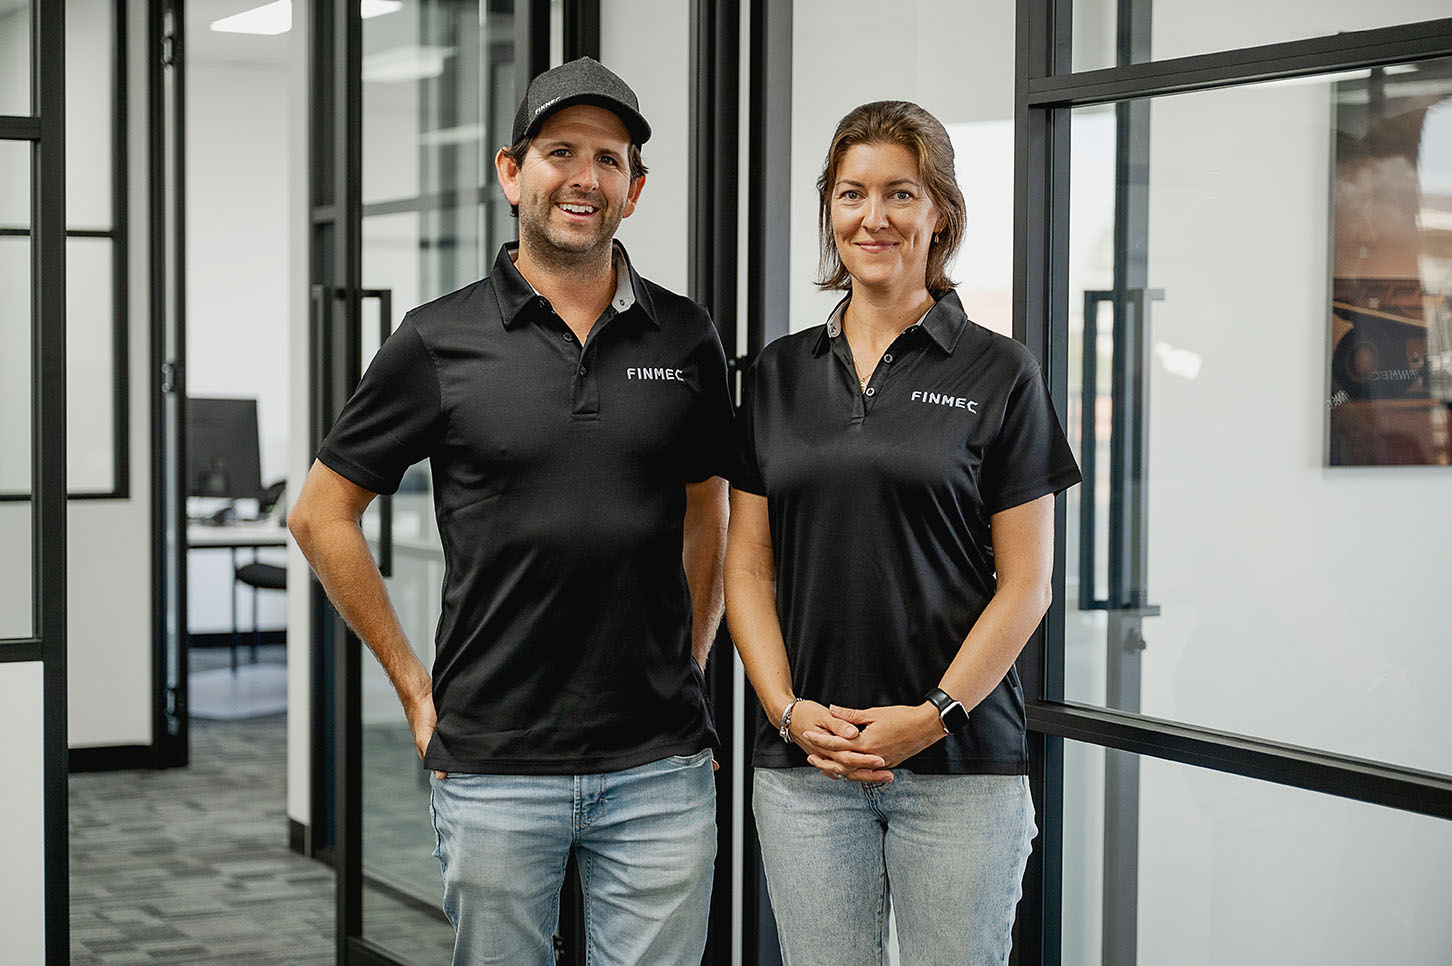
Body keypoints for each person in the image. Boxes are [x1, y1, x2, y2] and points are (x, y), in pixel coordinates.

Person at [288, 57, 732, 966]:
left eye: (610, 160)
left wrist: (690, 661)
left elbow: (708, 511)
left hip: (658, 764)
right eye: (560, 152)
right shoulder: (435, 339)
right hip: (494, 759)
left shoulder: (688, 337)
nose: (585, 178)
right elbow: (320, 514)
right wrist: (416, 687)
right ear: (509, 172)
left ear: (635, 190)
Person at [725, 100, 1082, 965]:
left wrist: (933, 715)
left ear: (940, 214)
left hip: (961, 770)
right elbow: (748, 567)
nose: (873, 218)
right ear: (829, 212)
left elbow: (1025, 584)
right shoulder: (776, 374)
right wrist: (785, 712)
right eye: (851, 195)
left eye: (901, 194)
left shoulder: (999, 370)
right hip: (807, 769)